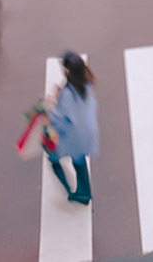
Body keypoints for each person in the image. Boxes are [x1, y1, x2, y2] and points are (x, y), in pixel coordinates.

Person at [46, 51, 99, 206]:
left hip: (73, 137)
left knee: (54, 157)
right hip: (86, 133)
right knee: (79, 162)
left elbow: (58, 119)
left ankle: (79, 194)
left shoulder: (68, 95)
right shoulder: (86, 83)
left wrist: (51, 104)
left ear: (67, 71)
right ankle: (84, 192)